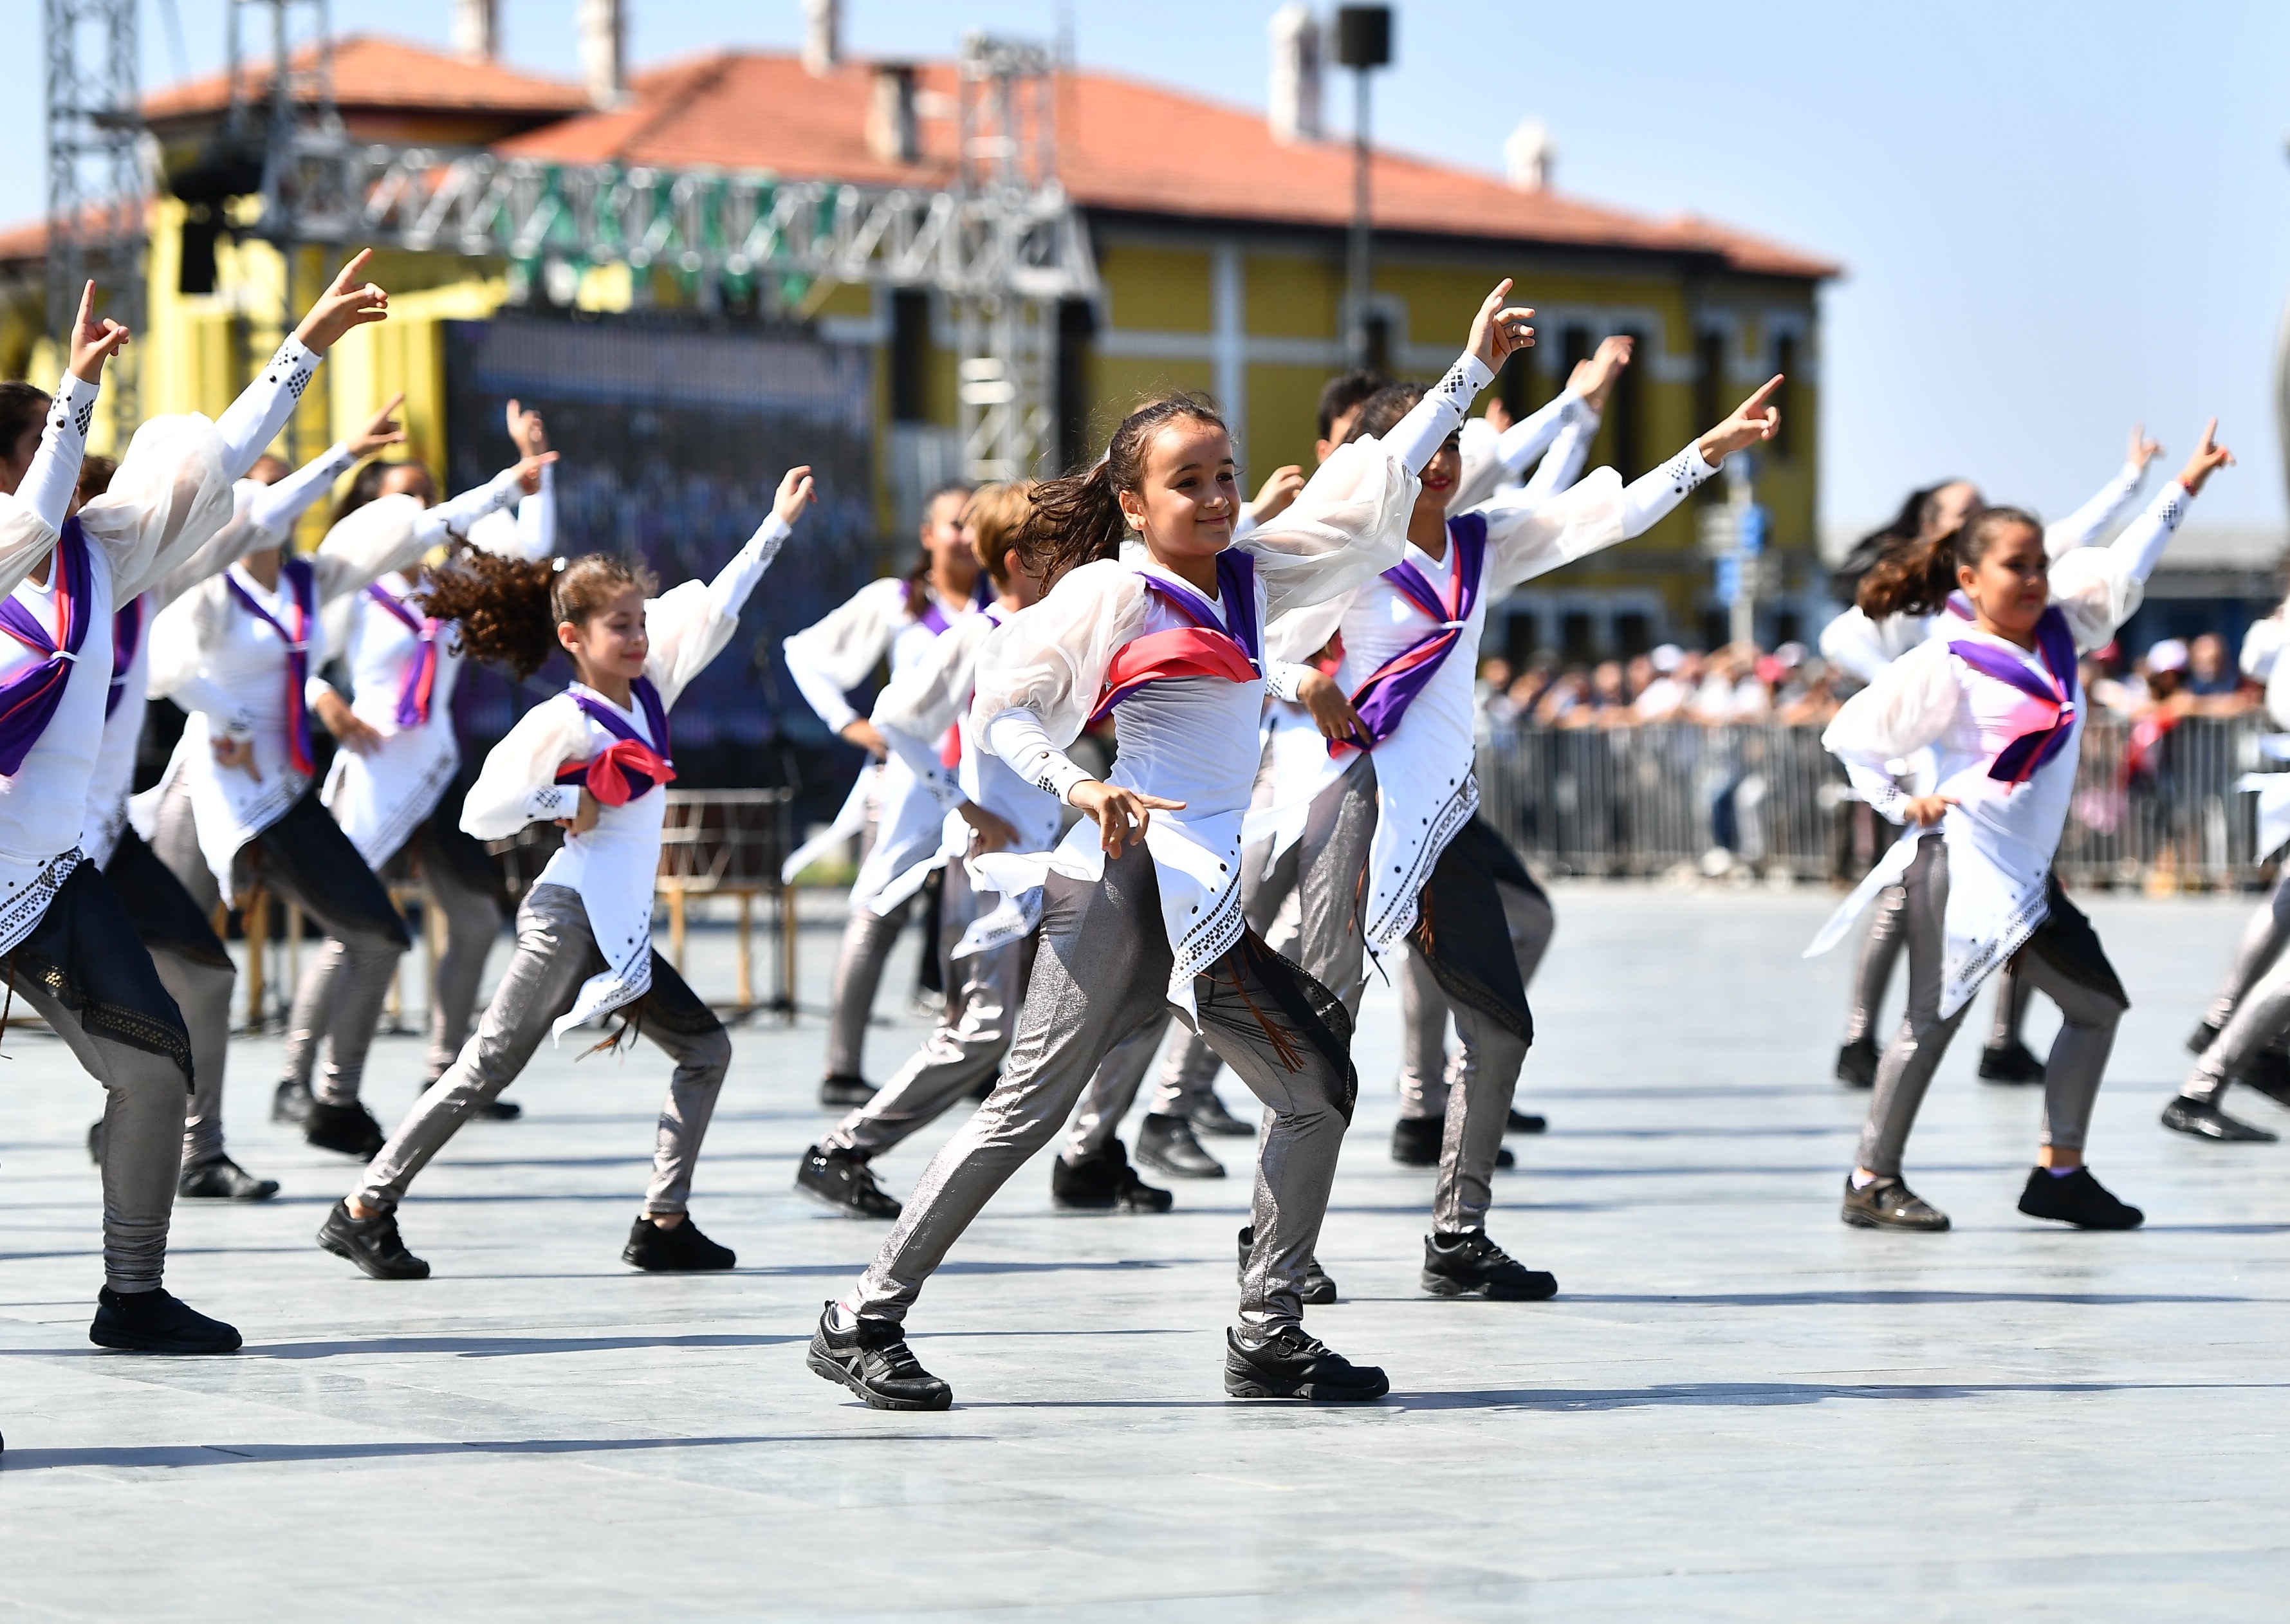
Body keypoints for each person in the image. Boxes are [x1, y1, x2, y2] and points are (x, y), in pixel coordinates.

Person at [806, 284, 1545, 1413]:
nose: (1211, 496)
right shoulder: (1110, 589)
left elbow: (1364, 497)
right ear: (1129, 499)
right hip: (1112, 879)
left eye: (1222, 475)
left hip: (1199, 889)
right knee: (1026, 1110)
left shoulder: (1252, 573)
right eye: (1184, 480)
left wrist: (1465, 377)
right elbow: (1003, 703)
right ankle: (863, 1313)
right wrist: (1074, 779)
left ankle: (1267, 1328)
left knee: (1312, 1087)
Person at [1261, 361, 1786, 1302]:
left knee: (1500, 1029)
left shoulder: (1482, 544)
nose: (1443, 464)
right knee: (1318, 1033)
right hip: (1360, 807)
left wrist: (1707, 451)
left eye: (1455, 446)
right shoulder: (1354, 555)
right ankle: (1274, 1250)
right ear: (1385, 462)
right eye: (1426, 446)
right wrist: (1302, 682)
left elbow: (1608, 517)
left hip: (1444, 817)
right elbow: (1253, 646)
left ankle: (1457, 1235)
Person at [0, 261, 389, 1352]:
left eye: (59, 435)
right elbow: (20, 526)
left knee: (155, 1061)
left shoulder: (98, 555)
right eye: (39, 438)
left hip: (40, 876)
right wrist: (73, 392)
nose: (63, 456)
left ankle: (133, 1295)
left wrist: (303, 345)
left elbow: (211, 456)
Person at [314, 465, 815, 1280]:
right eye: (620, 625)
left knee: (706, 1052)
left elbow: (719, 603)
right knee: (485, 1066)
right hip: (570, 917)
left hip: (615, 929)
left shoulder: (652, 688)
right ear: (573, 637)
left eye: (642, 620)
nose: (639, 636)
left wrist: (775, 525)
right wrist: (565, 795)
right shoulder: (562, 720)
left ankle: (663, 1220)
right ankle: (364, 1207)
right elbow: (482, 812)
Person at [1808, 421, 2233, 1232]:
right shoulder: (1951, 657)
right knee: (1935, 1021)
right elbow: (1853, 735)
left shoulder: (2059, 633)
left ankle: (2058, 1173)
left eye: (2041, 564)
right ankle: (1871, 1178)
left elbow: (2125, 563)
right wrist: (1905, 803)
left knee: (2095, 1006)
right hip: (1964, 866)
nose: (2037, 578)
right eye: (2017, 566)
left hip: (2025, 874)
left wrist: (2183, 487)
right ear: (1969, 576)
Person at [138, 408, 556, 1163]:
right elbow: (162, 668)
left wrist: (508, 482)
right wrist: (230, 713)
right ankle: (153, 1126)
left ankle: (331, 1101)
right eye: (261, 490)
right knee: (179, 970)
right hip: (210, 784)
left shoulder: (313, 581)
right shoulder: (205, 585)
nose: (275, 502)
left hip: (295, 788)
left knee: (377, 933)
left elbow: (433, 530)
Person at [79, 396, 408, 1199]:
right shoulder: (40, 578)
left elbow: (234, 489)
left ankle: (201, 1145)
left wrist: (505, 485)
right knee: (162, 993)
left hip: (118, 833)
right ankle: (166, 1119)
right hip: (74, 832)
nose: (233, 510)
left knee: (200, 979)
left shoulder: (146, 573)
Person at [1818, 427, 2165, 1091]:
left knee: (2030, 901)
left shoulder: (2011, 587)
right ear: (1935, 529)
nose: (1977, 515)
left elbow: (2076, 534)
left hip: (2014, 776)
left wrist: (2133, 482)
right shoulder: (1924, 603)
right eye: (1961, 509)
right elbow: (1841, 638)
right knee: (1907, 906)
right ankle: (1860, 1041)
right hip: (1942, 779)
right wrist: (1902, 697)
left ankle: (2003, 1042)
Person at [796, 483, 1065, 1217]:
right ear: (1020, 560)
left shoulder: (1059, 626)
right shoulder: (978, 635)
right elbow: (899, 725)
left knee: (1079, 1014)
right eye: (1058, 546)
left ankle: (1087, 1151)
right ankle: (845, 1149)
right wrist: (964, 803)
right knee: (981, 1031)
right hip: (987, 869)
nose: (1076, 558)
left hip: (1047, 862)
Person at [311, 399, 559, 1122]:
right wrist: (326, 700)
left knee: (479, 921)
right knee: (351, 925)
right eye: (403, 496)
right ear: (368, 512)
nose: (420, 508)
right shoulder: (348, 583)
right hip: (375, 763)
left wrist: (536, 473)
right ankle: (301, 1073)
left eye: (427, 495)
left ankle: (446, 1069)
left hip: (438, 765)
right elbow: (298, 655)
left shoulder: (450, 586)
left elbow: (530, 563)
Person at [783, 481, 979, 1108]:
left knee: (971, 921)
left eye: (978, 524)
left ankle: (965, 1058)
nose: (967, 536)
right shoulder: (896, 602)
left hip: (976, 786)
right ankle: (841, 1067)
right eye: (955, 523)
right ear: (927, 535)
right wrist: (849, 725)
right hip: (904, 785)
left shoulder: (999, 605)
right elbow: (803, 654)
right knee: (876, 913)